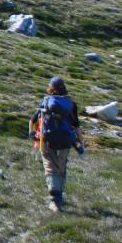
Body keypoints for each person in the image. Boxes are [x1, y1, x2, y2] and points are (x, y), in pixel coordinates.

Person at [29, 76, 82, 211]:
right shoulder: (71, 104)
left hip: (47, 139)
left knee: (50, 167)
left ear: (50, 89)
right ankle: (60, 197)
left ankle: (55, 200)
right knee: (61, 166)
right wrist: (80, 143)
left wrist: (32, 134)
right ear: (64, 89)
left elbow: (33, 120)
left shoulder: (46, 101)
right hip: (66, 140)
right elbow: (76, 126)